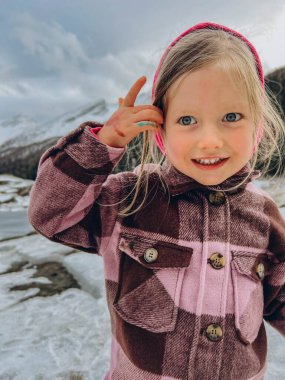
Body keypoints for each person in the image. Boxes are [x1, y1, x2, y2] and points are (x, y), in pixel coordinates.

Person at [28, 21, 285, 380]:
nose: (209, 140)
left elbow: (280, 299)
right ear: (160, 127)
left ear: (257, 122)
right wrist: (104, 144)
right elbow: (50, 214)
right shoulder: (130, 198)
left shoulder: (265, 216)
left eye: (231, 117)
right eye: (187, 119)